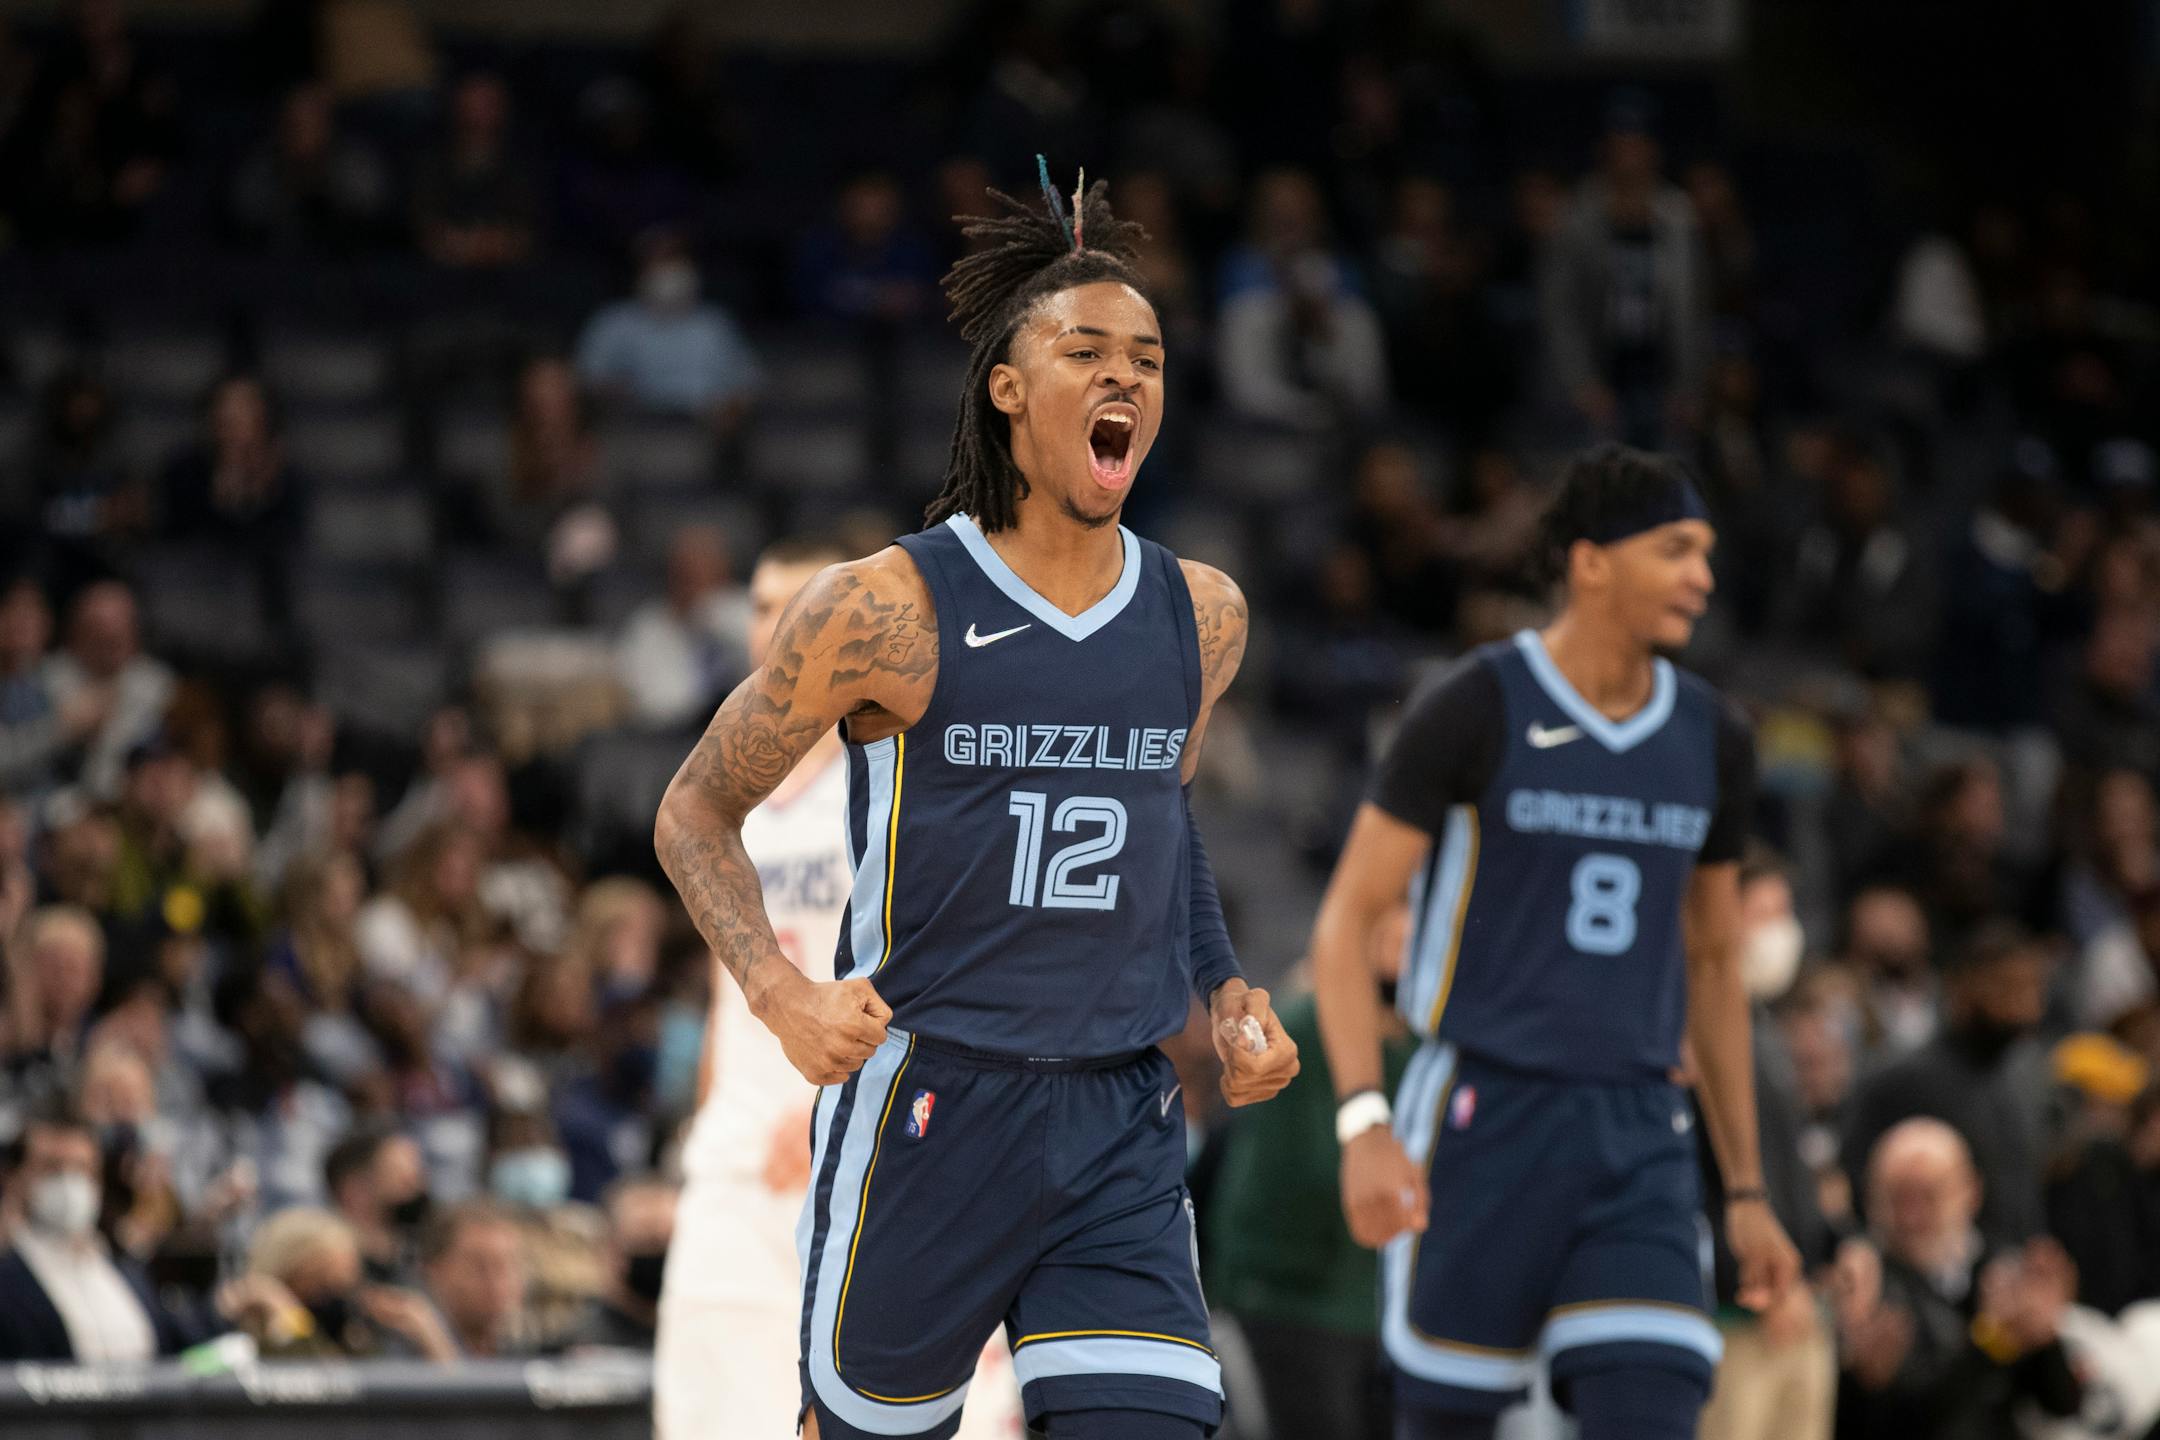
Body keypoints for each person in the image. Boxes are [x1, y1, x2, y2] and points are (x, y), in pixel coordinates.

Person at [652, 166, 1297, 1440]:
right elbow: (690, 812)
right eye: (1088, 352)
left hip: (1119, 1118)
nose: (1127, 378)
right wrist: (783, 999)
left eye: (1150, 359)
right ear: (1007, 389)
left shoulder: (1201, 614)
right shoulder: (883, 608)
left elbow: (1161, 825)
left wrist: (1225, 990)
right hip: (932, 1110)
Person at [1311, 443, 1799, 1440]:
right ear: (1591, 561)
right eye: (1676, 549)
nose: (1703, 576)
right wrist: (1363, 1123)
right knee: (1445, 1421)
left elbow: (1712, 964)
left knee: (1657, 1401)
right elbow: (1349, 921)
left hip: (1638, 1133)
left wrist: (1745, 1186)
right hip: (1484, 1115)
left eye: (1707, 553)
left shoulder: (1716, 738)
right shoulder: (1475, 701)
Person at [655, 535, 1022, 1438]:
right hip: (738, 1171)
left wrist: (829, 1115)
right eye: (760, 604)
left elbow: (959, 977)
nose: (774, 624)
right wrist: (713, 1119)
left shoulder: (908, 779)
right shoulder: (724, 800)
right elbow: (724, 992)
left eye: (797, 604)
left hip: (872, 1150)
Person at [1833, 1119, 2082, 1440]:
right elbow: (1915, 1417)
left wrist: (2045, 1338)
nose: (1911, 1217)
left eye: (1927, 1196)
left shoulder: (2003, 1267)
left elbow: (2062, 1405)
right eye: (1897, 1197)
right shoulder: (1864, 1282)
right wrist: (1859, 1382)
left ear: (1970, 1191)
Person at [1842, 921, 2055, 1244]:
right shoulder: (1901, 1081)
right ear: (1962, 987)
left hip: (2012, 1274)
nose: (2024, 1007)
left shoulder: (2025, 1075)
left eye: (2031, 990)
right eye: (2007, 988)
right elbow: (1860, 1190)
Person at [0, 1100, 187, 1361]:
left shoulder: (124, 1265)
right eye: (52, 1167)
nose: (69, 1181)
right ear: (14, 1178)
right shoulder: (8, 1276)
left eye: (82, 1168)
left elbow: (174, 1344)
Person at [420, 1200, 535, 1359]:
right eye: (478, 1266)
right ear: (435, 1270)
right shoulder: (402, 1351)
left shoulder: (530, 1355)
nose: (495, 1282)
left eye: (506, 1265)